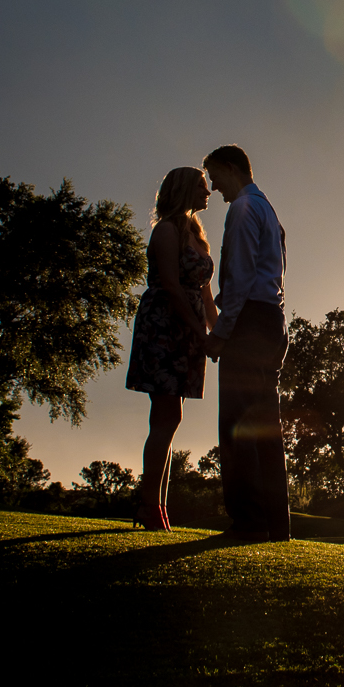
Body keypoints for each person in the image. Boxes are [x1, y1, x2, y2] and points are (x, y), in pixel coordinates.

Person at [202, 144, 290, 541]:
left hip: (250, 325)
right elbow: (262, 275)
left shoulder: (241, 210)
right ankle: (276, 524)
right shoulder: (268, 209)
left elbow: (238, 278)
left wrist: (220, 334)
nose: (213, 187)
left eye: (215, 176)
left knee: (237, 427)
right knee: (265, 428)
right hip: (271, 320)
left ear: (231, 167)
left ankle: (249, 523)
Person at [124, 166, 217, 530]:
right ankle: (150, 506)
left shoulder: (198, 236)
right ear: (182, 190)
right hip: (164, 327)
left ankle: (156, 506)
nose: (207, 190)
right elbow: (172, 289)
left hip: (189, 331)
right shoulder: (166, 230)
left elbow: (205, 294)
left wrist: (219, 333)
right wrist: (201, 334)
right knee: (165, 415)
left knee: (171, 417)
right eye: (200, 185)